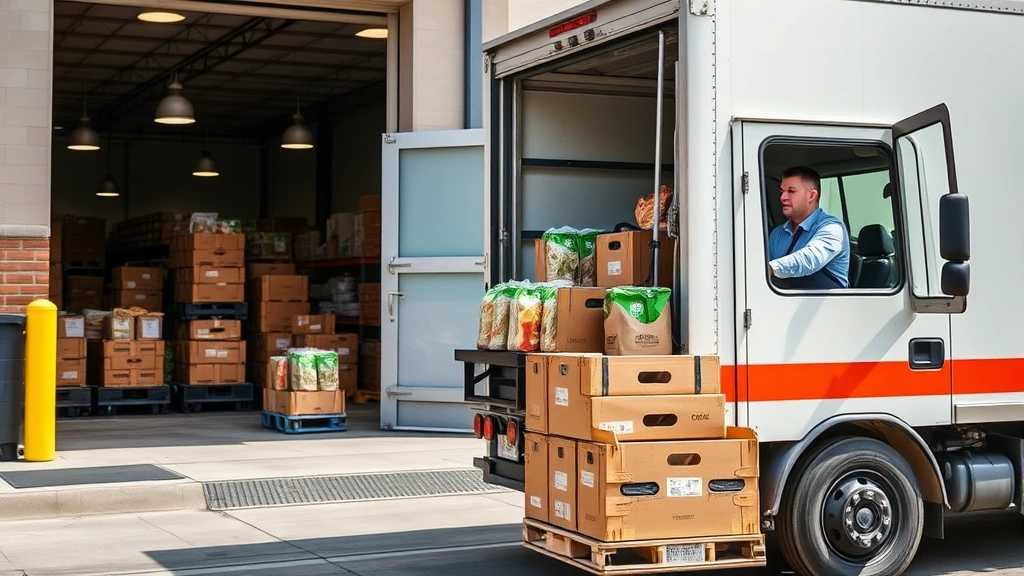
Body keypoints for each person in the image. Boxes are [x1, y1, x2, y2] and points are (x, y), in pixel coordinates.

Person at [767, 166, 850, 289]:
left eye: (791, 191)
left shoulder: (832, 228)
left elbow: (810, 259)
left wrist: (770, 268)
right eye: (781, 191)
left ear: (811, 195)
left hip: (830, 306)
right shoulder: (777, 234)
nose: (782, 197)